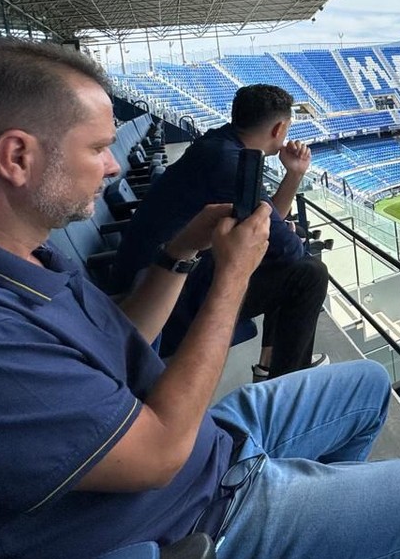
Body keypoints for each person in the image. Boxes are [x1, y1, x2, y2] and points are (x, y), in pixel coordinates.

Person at [0, 41, 400, 559]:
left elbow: (119, 338)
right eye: (97, 146)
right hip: (188, 517)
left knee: (367, 385)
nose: (113, 163)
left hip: (203, 448)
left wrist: (179, 254)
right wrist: (231, 275)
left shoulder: (11, 251)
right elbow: (158, 456)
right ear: (17, 158)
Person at [114, 84, 327, 380]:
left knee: (284, 254)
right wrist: (283, 235)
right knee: (309, 273)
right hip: (158, 304)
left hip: (154, 278)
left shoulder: (219, 144)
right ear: (280, 128)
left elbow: (271, 223)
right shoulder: (230, 163)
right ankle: (287, 383)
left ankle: (269, 365)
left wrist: (294, 174)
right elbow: (287, 249)